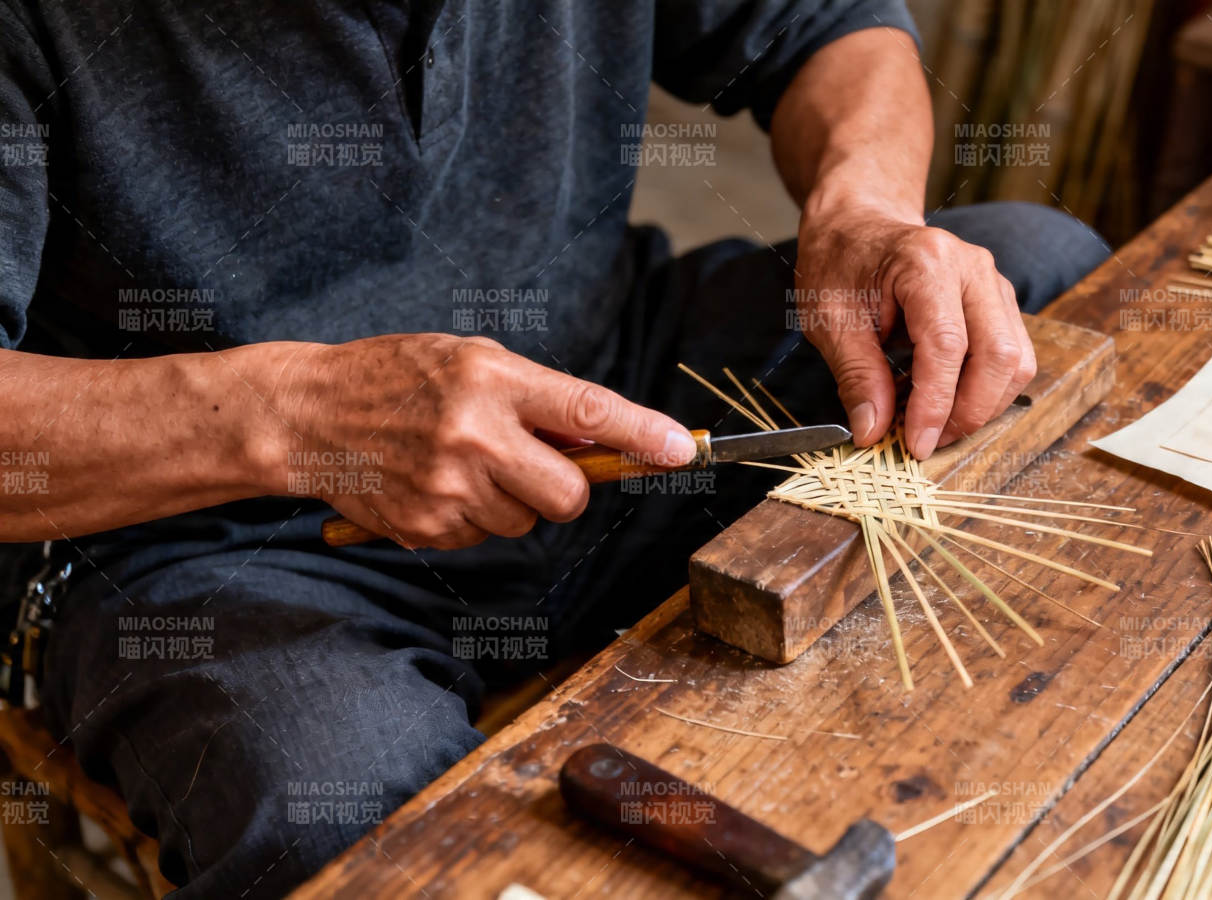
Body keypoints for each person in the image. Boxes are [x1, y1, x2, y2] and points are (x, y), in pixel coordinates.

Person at [0, 1, 1110, 895]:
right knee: (348, 812)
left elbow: (831, 26)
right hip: (225, 536)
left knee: (1029, 277)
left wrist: (864, 204)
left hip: (612, 388)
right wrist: (292, 414)